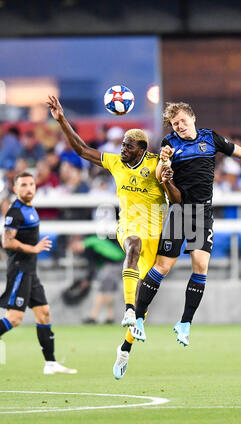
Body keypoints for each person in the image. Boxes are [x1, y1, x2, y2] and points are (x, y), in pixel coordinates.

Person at [131, 101, 241, 348]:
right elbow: (160, 175)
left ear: (192, 117)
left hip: (202, 213)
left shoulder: (210, 138)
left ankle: (184, 323)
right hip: (181, 211)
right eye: (175, 124)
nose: (179, 126)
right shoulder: (169, 144)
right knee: (162, 267)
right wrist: (164, 162)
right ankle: (138, 318)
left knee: (201, 266)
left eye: (182, 120)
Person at [46, 95, 182, 379]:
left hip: (154, 236)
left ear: (142, 149)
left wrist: (167, 180)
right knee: (131, 245)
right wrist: (61, 120)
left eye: (128, 146)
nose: (122, 149)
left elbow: (178, 200)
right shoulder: (116, 163)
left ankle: (124, 349)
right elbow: (83, 150)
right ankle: (128, 309)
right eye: (121, 144)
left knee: (146, 301)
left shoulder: (157, 164)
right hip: (128, 228)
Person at [0, 172, 77, 375]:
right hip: (19, 271)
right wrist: (33, 249)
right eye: (23, 185)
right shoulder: (15, 212)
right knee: (14, 319)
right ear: (15, 189)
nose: (28, 188)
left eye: (31, 184)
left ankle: (50, 364)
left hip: (30, 272)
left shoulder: (30, 208)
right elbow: (7, 241)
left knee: (43, 313)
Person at [68, 235, 125, 325]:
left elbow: (92, 266)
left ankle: (94, 317)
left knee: (102, 291)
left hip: (114, 264)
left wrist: (87, 280)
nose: (75, 252)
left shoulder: (89, 247)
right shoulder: (92, 240)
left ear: (75, 244)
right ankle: (109, 317)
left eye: (74, 249)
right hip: (115, 263)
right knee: (106, 291)